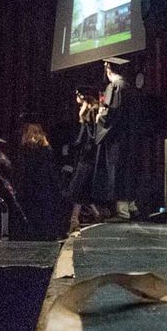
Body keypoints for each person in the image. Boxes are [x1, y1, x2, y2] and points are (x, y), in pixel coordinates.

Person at [93, 57, 143, 222]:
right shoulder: (129, 87)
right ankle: (131, 206)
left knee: (118, 171)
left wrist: (99, 116)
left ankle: (122, 212)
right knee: (128, 170)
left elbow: (111, 115)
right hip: (131, 137)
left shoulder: (115, 87)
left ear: (108, 68)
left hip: (118, 139)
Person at [14, 120, 66, 239]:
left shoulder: (26, 148)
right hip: (45, 185)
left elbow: (22, 169)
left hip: (30, 186)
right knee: (45, 213)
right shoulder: (46, 148)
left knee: (31, 214)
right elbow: (51, 169)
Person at [66, 87, 102, 234]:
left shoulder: (92, 111)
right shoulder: (88, 110)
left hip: (88, 156)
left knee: (77, 188)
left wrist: (81, 120)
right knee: (81, 191)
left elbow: (88, 136)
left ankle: (75, 221)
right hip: (85, 155)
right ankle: (79, 219)